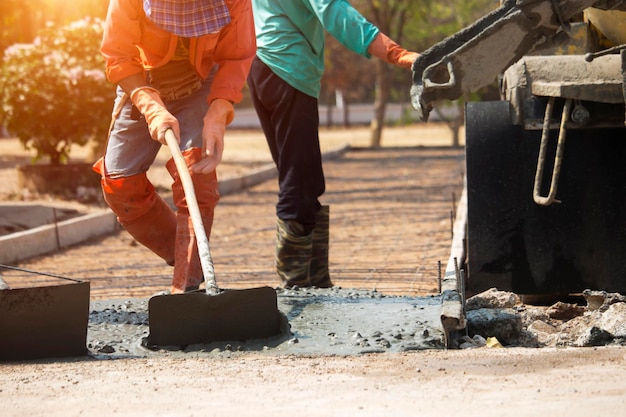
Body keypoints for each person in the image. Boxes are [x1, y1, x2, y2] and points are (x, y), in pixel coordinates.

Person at [247, 0, 419, 289]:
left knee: (306, 179)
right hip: (287, 67)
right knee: (298, 180)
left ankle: (317, 283)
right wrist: (396, 53)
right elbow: (333, 10)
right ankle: (297, 285)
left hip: (261, 66)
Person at [95, 0, 256, 294]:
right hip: (141, 82)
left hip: (200, 83)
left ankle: (187, 284)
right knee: (120, 183)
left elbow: (236, 56)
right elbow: (118, 54)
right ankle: (191, 258)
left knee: (197, 176)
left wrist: (219, 112)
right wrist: (150, 106)